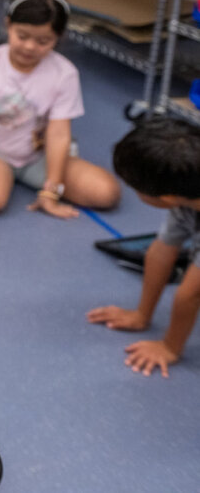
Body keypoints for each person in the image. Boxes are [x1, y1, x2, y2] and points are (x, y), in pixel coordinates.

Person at [0, 0, 120, 218]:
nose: (29, 47)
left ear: (59, 37)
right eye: (22, 36)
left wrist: (51, 191)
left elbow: (58, 133)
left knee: (106, 193)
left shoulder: (65, 73)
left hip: (37, 155)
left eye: (43, 41)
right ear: (8, 25)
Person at [87, 117, 200, 378]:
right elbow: (162, 250)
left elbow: (191, 295)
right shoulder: (187, 195)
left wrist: (170, 347)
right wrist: (142, 314)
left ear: (167, 198)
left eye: (134, 188)